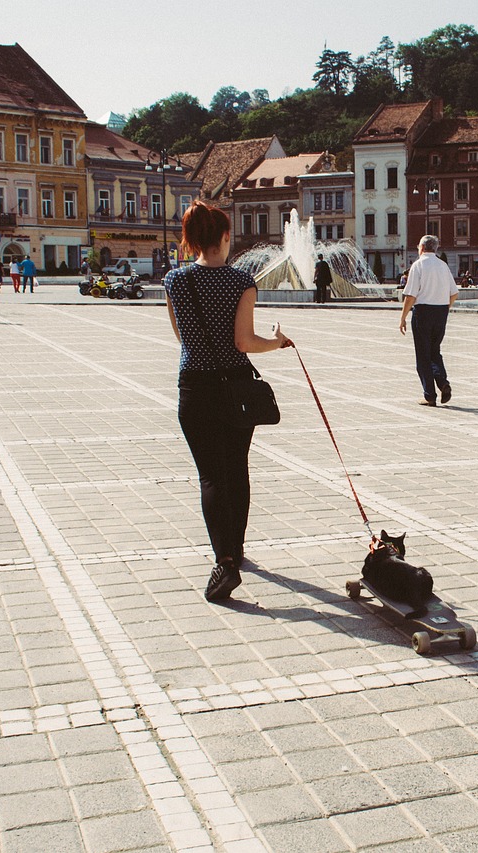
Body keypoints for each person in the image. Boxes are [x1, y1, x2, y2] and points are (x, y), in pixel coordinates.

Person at [165, 202, 293, 602]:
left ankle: (225, 560)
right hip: (236, 387)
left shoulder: (175, 281)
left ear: (191, 241)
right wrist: (278, 341)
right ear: (225, 237)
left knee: (210, 475)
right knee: (236, 469)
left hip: (195, 386)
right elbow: (243, 342)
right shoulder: (241, 282)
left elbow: (181, 338)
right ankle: (234, 551)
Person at [398, 234, 458, 407]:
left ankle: (429, 395)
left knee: (423, 356)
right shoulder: (443, 265)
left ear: (422, 248)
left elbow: (410, 296)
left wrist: (402, 318)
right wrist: (445, 308)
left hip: (423, 312)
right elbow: (454, 293)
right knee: (434, 351)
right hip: (441, 312)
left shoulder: (418, 265)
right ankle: (443, 382)